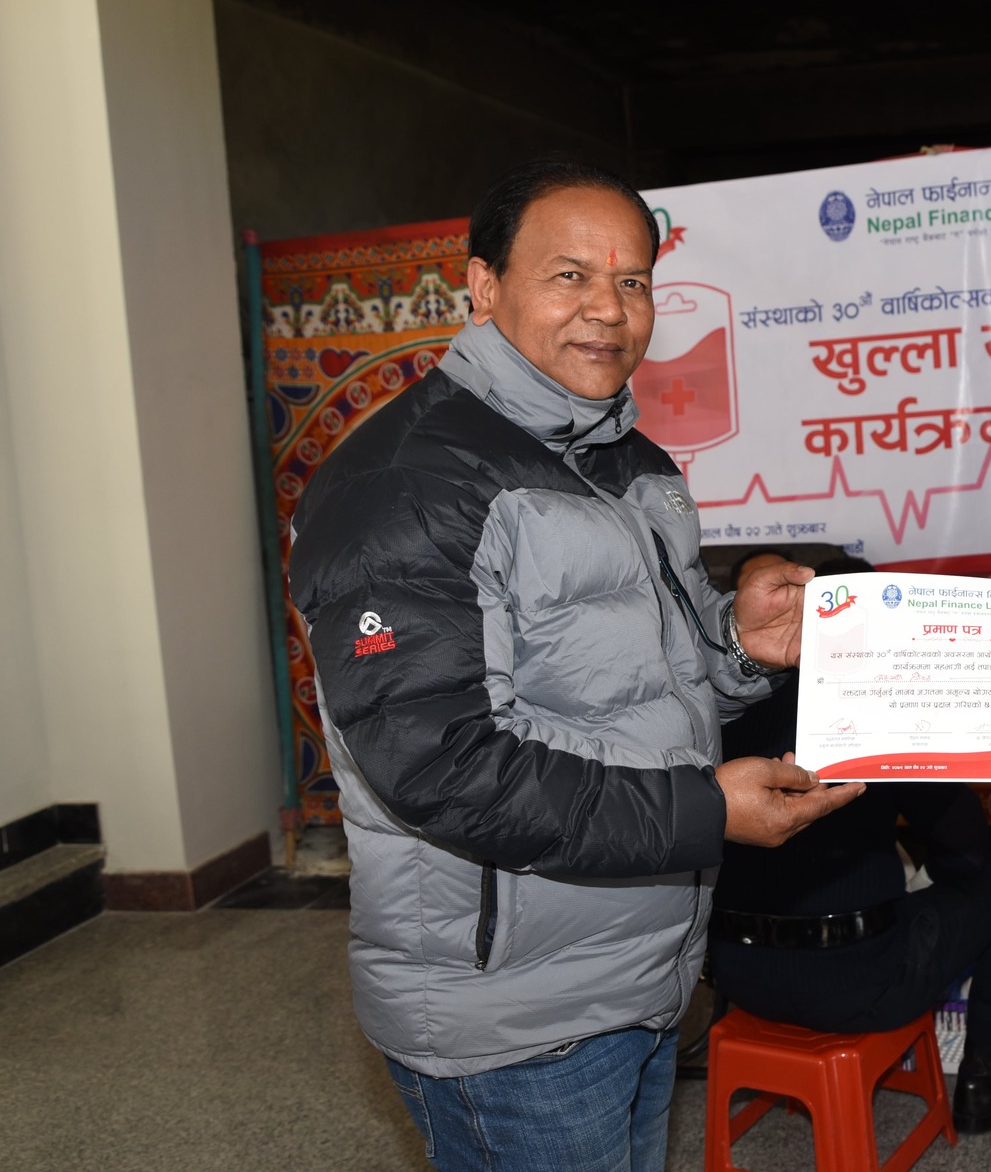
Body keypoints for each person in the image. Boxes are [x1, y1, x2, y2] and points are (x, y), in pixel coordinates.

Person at [287, 158, 863, 1172]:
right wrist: (706, 812)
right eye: (569, 276)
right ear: (482, 285)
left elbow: (640, 684)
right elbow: (442, 764)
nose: (609, 309)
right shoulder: (406, 484)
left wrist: (741, 641)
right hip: (513, 1015)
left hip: (639, 968)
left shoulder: (631, 465)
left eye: (632, 280)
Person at [707, 554, 991, 1133]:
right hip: (862, 984)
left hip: (736, 976)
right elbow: (966, 851)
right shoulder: (885, 704)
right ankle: (984, 1081)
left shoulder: (718, 704)